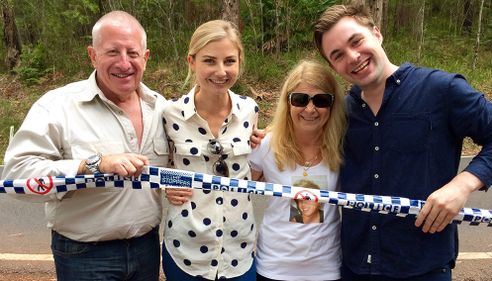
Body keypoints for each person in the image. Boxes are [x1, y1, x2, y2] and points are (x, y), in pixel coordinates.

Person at [312, 3, 492, 281]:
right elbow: (300, 139)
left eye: (356, 41)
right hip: (354, 268)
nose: (353, 57)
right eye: (338, 55)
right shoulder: (339, 112)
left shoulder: (441, 90)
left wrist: (463, 185)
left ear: (376, 33)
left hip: (424, 268)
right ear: (333, 65)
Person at [1, 11, 168, 281]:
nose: (124, 62)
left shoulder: (162, 108)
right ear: (92, 55)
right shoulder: (57, 106)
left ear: (146, 57)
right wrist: (91, 165)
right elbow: (16, 175)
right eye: (112, 51)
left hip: (147, 250)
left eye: (132, 53)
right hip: (84, 257)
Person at [161, 19, 259, 281]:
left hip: (239, 251)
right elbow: (160, 167)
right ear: (191, 62)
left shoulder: (250, 110)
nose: (220, 71)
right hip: (186, 251)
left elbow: (257, 166)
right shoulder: (170, 114)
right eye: (209, 61)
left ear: (239, 61)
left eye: (229, 61)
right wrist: (168, 185)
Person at [249, 60, 346, 281]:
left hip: (327, 269)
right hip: (274, 267)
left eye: (321, 100)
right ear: (288, 102)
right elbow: (235, 192)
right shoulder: (265, 145)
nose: (310, 109)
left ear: (332, 105)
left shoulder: (343, 148)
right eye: (300, 99)